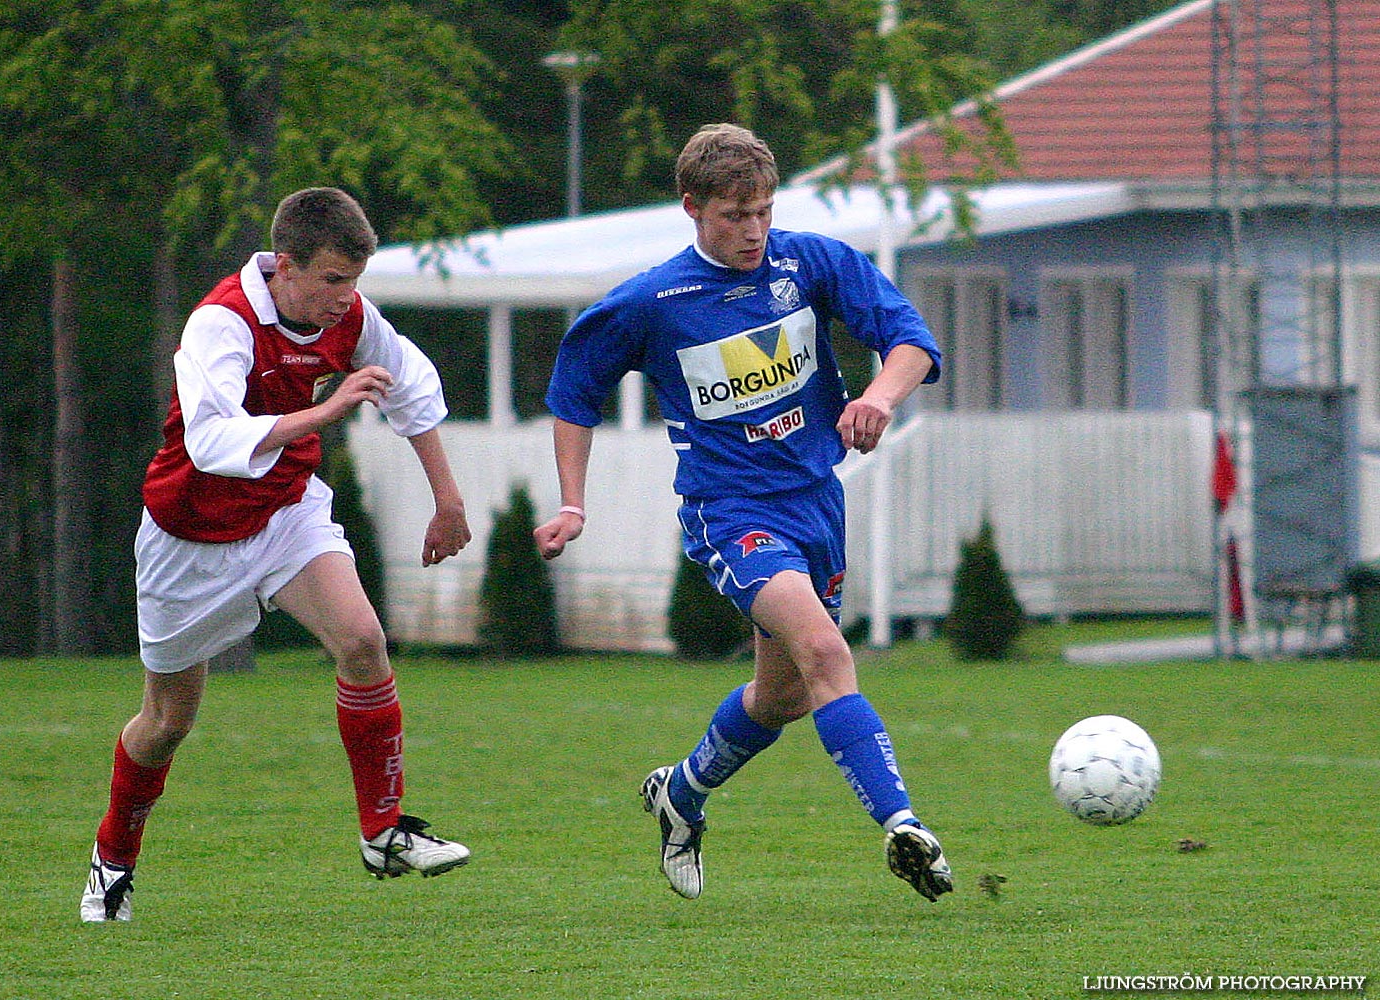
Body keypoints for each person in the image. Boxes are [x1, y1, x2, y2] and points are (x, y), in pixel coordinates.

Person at [534, 124, 952, 902]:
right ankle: (902, 826)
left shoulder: (810, 261)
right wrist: (571, 502)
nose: (753, 229)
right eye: (733, 215)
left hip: (815, 502)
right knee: (827, 654)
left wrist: (876, 395)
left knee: (783, 697)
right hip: (728, 511)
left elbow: (911, 340)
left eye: (761, 210)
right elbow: (573, 397)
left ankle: (681, 794)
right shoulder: (650, 300)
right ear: (691, 207)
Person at [81, 188, 473, 923]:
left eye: (353, 282)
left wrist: (447, 500)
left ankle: (383, 832)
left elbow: (411, 388)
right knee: (166, 723)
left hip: (285, 514)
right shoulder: (219, 324)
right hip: (186, 538)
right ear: (283, 267)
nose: (342, 299)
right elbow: (211, 442)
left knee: (362, 641)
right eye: (330, 281)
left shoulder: (350, 315)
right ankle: (113, 860)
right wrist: (325, 413)